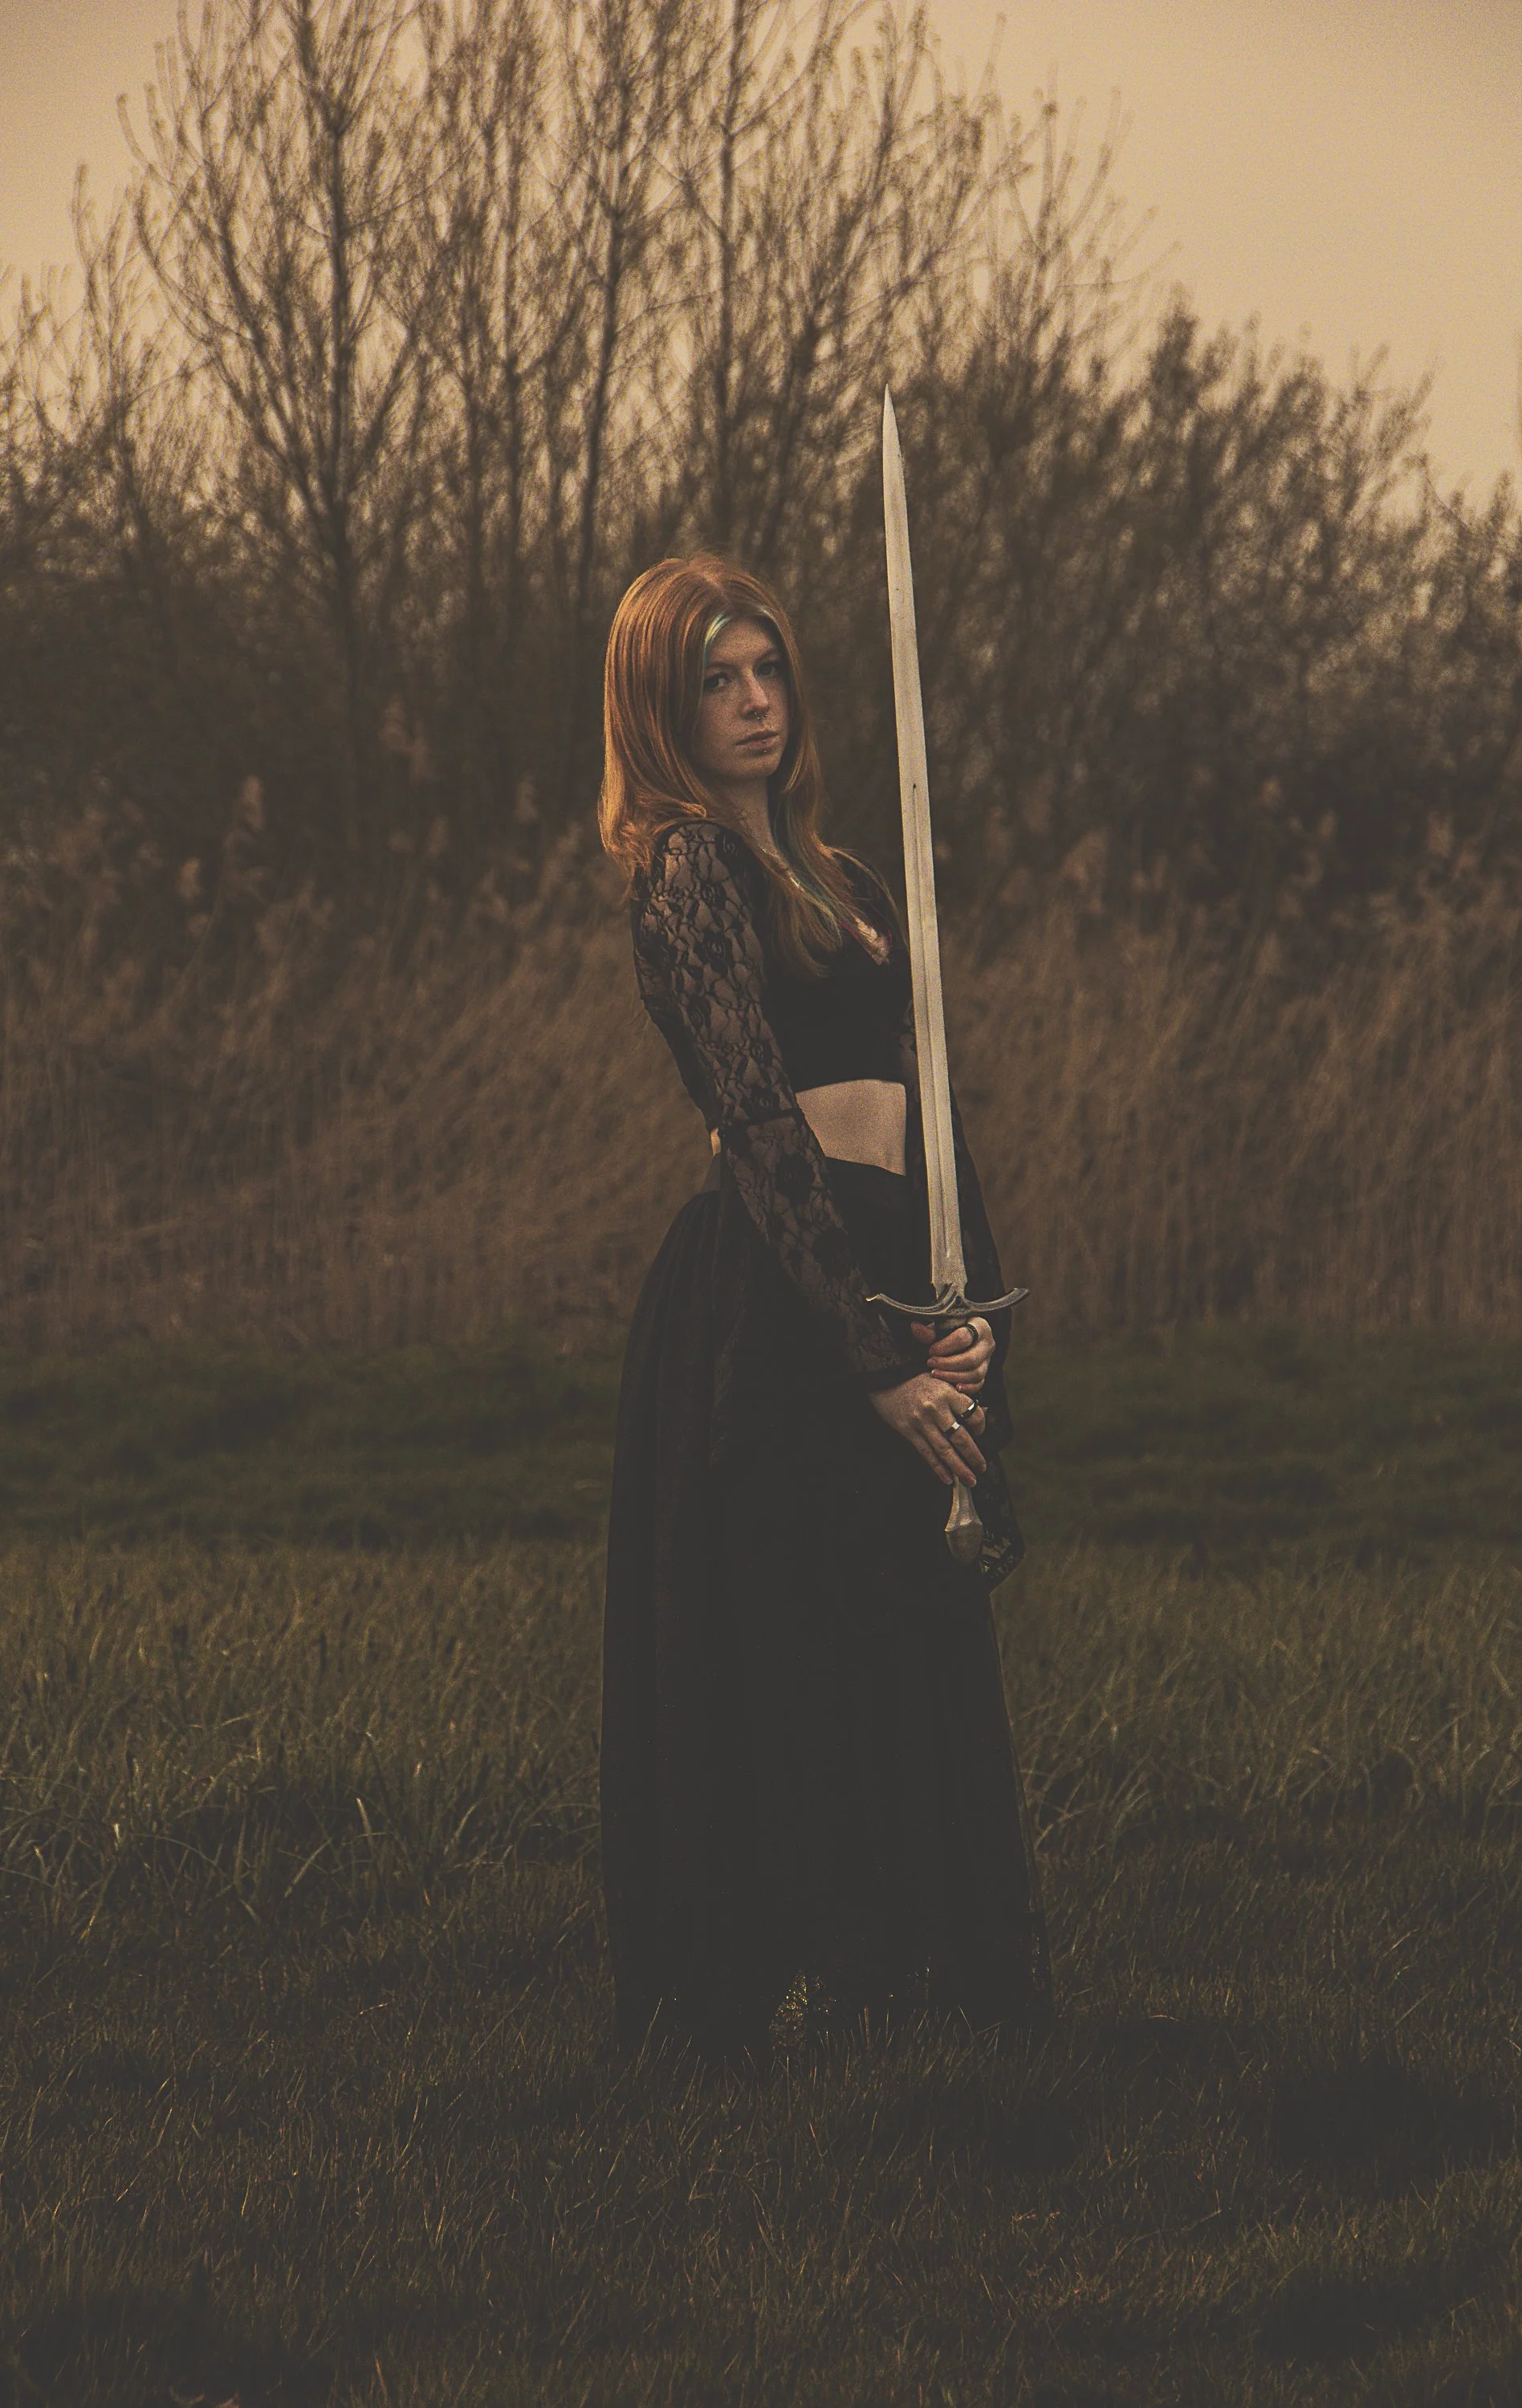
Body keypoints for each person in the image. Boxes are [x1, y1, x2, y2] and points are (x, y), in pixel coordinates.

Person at [596, 554, 1050, 2061]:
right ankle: (790, 1990)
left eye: (768, 673)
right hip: (778, 1290)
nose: (753, 705)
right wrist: (868, 1358)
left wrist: (963, 1307)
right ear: (663, 707)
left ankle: (915, 1979)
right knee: (787, 1640)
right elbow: (755, 1119)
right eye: (717, 681)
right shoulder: (685, 875)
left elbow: (932, 1106)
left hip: (892, 1262)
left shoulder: (848, 882)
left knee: (900, 1619)